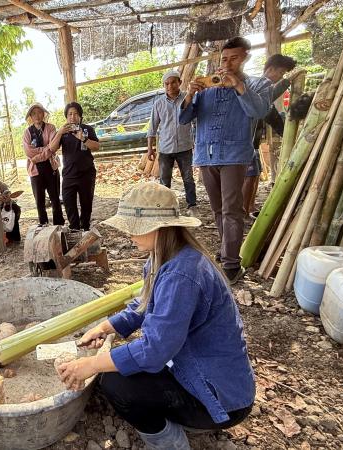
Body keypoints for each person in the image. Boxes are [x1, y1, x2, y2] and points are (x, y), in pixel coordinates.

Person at [57, 182, 254, 450]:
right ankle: (184, 417)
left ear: (158, 227)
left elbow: (155, 350)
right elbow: (145, 303)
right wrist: (106, 327)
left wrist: (91, 365)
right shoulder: (167, 256)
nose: (128, 235)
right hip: (214, 379)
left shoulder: (181, 275)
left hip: (222, 400)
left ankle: (171, 443)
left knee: (117, 385)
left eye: (133, 228)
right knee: (122, 365)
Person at [179, 36, 272, 283]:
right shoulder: (208, 86)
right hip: (205, 155)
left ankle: (231, 264)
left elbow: (260, 111)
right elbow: (184, 119)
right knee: (218, 209)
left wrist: (239, 86)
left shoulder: (258, 84)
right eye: (224, 59)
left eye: (234, 58)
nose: (228, 64)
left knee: (231, 209)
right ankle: (225, 251)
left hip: (235, 155)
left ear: (246, 58)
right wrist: (189, 95)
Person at [243, 54, 297, 217]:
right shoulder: (259, 84)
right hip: (245, 140)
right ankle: (243, 210)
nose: (279, 76)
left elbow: (270, 109)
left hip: (253, 141)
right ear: (271, 69)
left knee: (255, 175)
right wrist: (287, 82)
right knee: (250, 175)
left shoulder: (263, 87)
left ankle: (250, 208)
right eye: (280, 73)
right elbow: (267, 109)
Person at [147, 70, 197, 213]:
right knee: (164, 180)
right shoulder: (159, 103)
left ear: (179, 83)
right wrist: (150, 148)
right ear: (164, 85)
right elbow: (152, 127)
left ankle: (192, 205)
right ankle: (166, 206)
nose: (170, 86)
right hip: (165, 148)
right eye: (167, 84)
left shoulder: (187, 99)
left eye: (173, 82)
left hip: (185, 146)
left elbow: (196, 121)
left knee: (188, 177)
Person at [50, 101, 100, 231]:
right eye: (70, 114)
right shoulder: (63, 132)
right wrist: (59, 133)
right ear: (66, 117)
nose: (73, 116)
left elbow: (96, 147)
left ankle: (85, 229)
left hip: (86, 174)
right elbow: (52, 148)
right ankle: (74, 229)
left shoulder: (87, 129)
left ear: (80, 116)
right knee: (69, 203)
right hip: (69, 175)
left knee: (86, 204)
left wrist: (83, 138)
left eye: (76, 114)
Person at [23, 102, 65, 226]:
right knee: (39, 202)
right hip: (35, 170)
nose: (37, 116)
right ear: (30, 116)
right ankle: (44, 225)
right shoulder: (27, 132)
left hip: (50, 168)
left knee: (55, 199)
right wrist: (47, 149)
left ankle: (59, 225)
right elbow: (28, 151)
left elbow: (54, 146)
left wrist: (39, 155)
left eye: (39, 112)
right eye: (34, 113)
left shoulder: (51, 128)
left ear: (43, 114)